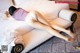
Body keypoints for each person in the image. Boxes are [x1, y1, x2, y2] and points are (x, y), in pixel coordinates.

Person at [8, 6, 76, 42]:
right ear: (15, 8)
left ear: (11, 13)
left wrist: (8, 14)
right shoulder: (20, 9)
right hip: (32, 13)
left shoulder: (14, 17)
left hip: (28, 21)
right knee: (50, 24)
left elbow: (8, 16)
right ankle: (67, 31)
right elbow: (27, 11)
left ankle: (65, 38)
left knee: (48, 29)